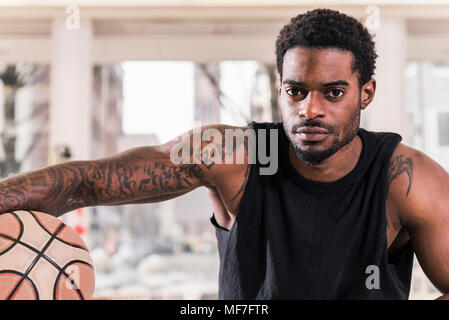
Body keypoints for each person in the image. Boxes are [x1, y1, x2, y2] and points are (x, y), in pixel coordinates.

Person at [1, 8, 448, 300]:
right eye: (296, 92)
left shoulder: (405, 178)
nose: (310, 110)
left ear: (365, 93)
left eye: (333, 93)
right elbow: (87, 182)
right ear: (280, 91)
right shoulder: (240, 154)